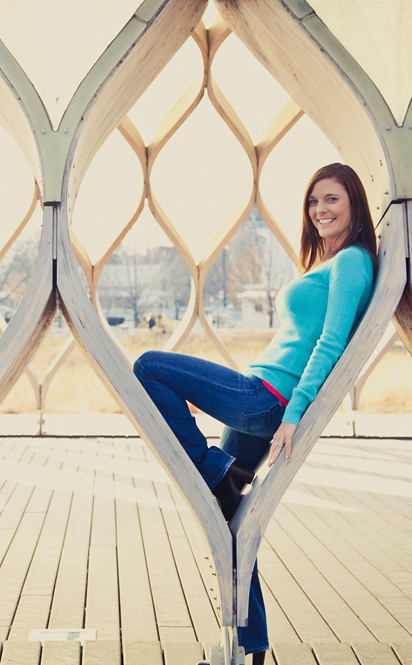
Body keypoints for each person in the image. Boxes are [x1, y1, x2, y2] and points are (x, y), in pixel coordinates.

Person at [133, 162, 377, 662]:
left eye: (331, 199)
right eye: (313, 201)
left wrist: (293, 414)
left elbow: (330, 343)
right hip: (262, 395)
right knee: (232, 524)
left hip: (267, 399)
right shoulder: (329, 262)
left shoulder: (352, 262)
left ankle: (214, 471)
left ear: (354, 202)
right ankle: (251, 648)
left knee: (148, 366)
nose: (320, 210)